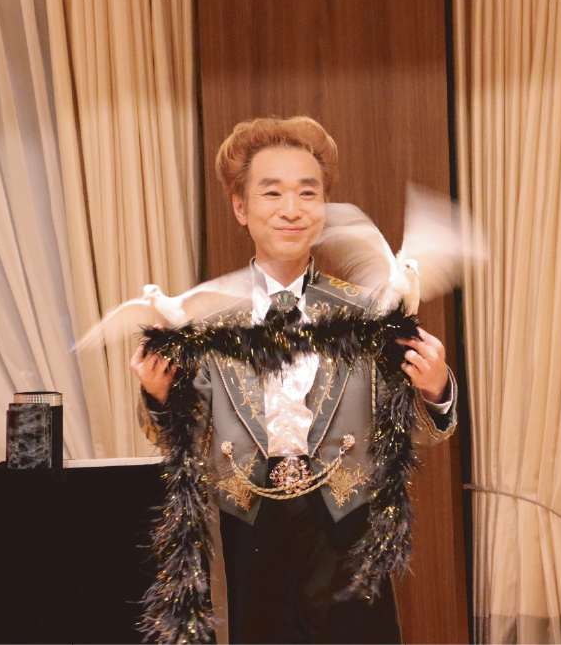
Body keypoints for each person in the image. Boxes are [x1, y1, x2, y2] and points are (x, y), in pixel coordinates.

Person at [132, 116, 457, 643]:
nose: (291, 209)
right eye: (272, 193)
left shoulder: (368, 312)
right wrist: (157, 397)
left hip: (347, 528)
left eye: (308, 193)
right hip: (248, 531)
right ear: (241, 208)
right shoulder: (204, 318)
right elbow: (177, 439)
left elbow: (414, 433)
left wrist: (435, 389)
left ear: (323, 206)